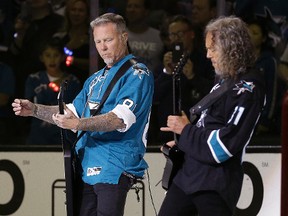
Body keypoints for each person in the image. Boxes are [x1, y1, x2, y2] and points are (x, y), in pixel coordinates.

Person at [12, 12, 154, 216]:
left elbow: (118, 119)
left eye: (108, 40)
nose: (102, 47)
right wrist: (35, 110)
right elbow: (69, 112)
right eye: (98, 41)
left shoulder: (138, 73)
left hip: (114, 165)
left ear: (124, 37)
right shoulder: (95, 79)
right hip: (85, 164)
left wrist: (78, 124)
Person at [158, 16, 266, 216]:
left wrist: (186, 131)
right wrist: (183, 141)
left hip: (216, 183)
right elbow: (208, 125)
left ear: (230, 48)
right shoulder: (224, 80)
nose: (207, 55)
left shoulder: (248, 88)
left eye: (212, 49)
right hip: (188, 175)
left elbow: (224, 147)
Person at [154, 15, 214, 143]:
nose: (176, 38)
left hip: (197, 131)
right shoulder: (164, 61)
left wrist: (193, 77)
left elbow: (213, 94)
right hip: (167, 132)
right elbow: (153, 96)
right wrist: (166, 72)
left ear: (191, 34)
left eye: (180, 33)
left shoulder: (206, 61)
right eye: (172, 35)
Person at [25, 37, 81, 145]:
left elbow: (77, 108)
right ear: (42, 58)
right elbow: (29, 105)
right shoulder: (33, 79)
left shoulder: (72, 81)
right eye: (48, 55)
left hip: (64, 137)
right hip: (38, 137)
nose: (52, 60)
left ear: (62, 57)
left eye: (56, 55)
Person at [54, 0, 90, 86]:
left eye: (81, 10)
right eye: (73, 10)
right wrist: (69, 46)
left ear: (87, 14)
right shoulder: (60, 37)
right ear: (68, 13)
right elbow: (53, 58)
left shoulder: (93, 39)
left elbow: (97, 64)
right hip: (62, 84)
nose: (76, 14)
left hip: (86, 84)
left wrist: (73, 60)